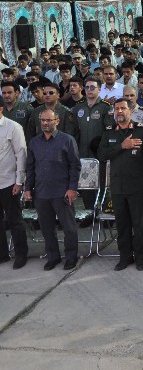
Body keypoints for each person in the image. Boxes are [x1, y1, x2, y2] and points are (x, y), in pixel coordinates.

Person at [97, 98, 143, 271]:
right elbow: (101, 155)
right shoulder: (109, 132)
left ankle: (140, 258)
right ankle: (125, 257)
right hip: (117, 186)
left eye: (123, 108)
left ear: (130, 111)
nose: (119, 112)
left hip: (137, 185)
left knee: (139, 224)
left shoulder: (141, 131)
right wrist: (122, 146)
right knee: (122, 224)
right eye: (117, 109)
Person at [24, 109, 81, 271]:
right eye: (43, 120)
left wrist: (72, 188)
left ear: (57, 121)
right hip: (41, 193)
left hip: (62, 192)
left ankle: (71, 257)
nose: (45, 123)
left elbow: (75, 166)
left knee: (69, 228)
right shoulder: (34, 142)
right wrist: (28, 188)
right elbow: (30, 168)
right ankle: (53, 257)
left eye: (49, 120)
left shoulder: (67, 140)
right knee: (47, 229)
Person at [71, 76, 114, 219]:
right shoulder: (78, 108)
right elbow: (74, 131)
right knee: (85, 185)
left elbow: (109, 131)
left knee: (102, 184)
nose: (89, 90)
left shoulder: (105, 107)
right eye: (87, 87)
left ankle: (105, 213)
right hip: (82, 152)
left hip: (99, 153)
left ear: (99, 89)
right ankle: (90, 214)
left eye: (92, 87)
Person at [0, 103, 27, 268]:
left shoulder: (13, 127)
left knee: (14, 221)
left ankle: (21, 254)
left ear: (1, 108)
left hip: (9, 182)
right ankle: (2, 254)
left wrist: (19, 181)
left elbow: (21, 154)